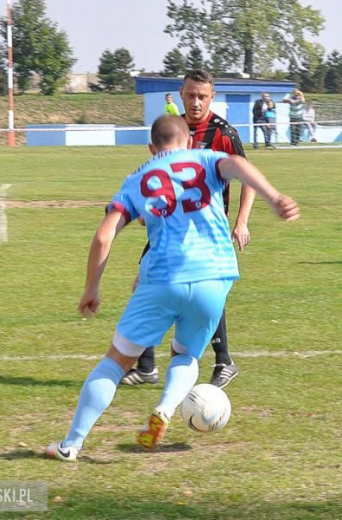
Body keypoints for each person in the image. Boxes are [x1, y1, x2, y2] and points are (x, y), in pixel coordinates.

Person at [45, 115, 300, 461]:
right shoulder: (206, 158)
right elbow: (239, 163)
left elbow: (104, 236)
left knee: (116, 363)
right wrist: (273, 196)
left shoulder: (136, 178)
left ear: (152, 148)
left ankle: (70, 445)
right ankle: (165, 408)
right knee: (186, 354)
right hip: (216, 276)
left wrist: (92, 287)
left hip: (163, 278)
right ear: (189, 142)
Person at [122, 69, 255, 388]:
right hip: (170, 225)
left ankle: (223, 361)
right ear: (180, 94)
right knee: (145, 282)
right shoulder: (172, 131)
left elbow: (247, 175)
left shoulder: (223, 132)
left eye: (203, 96)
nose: (196, 102)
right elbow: (157, 175)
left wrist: (241, 221)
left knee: (207, 286)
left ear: (212, 98)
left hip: (208, 228)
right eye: (191, 95)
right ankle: (147, 366)